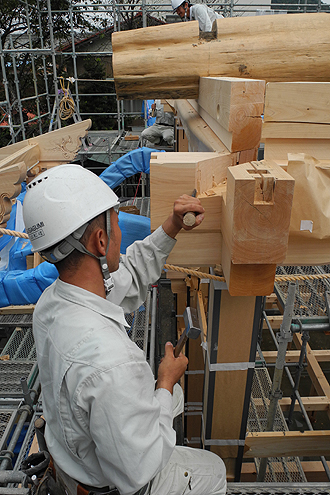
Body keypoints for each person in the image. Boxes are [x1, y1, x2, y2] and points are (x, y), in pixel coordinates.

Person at [23, 164, 227, 495]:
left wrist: (171, 227)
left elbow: (128, 275)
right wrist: (164, 383)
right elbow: (138, 471)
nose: (120, 229)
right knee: (213, 471)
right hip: (107, 482)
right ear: (100, 240)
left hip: (70, 462)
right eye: (115, 221)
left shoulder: (53, 302)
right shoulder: (112, 362)